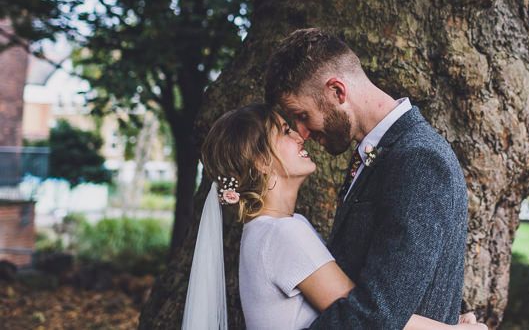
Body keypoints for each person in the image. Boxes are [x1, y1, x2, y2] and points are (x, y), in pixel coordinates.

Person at [181, 102, 485, 330]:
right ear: (262, 162)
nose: (301, 136)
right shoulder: (281, 235)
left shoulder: (270, 230)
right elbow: (368, 315)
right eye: (286, 132)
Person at [264, 28, 470, 329]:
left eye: (303, 115)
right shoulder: (378, 152)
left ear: (337, 91)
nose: (303, 133)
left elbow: (378, 315)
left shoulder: (418, 158)